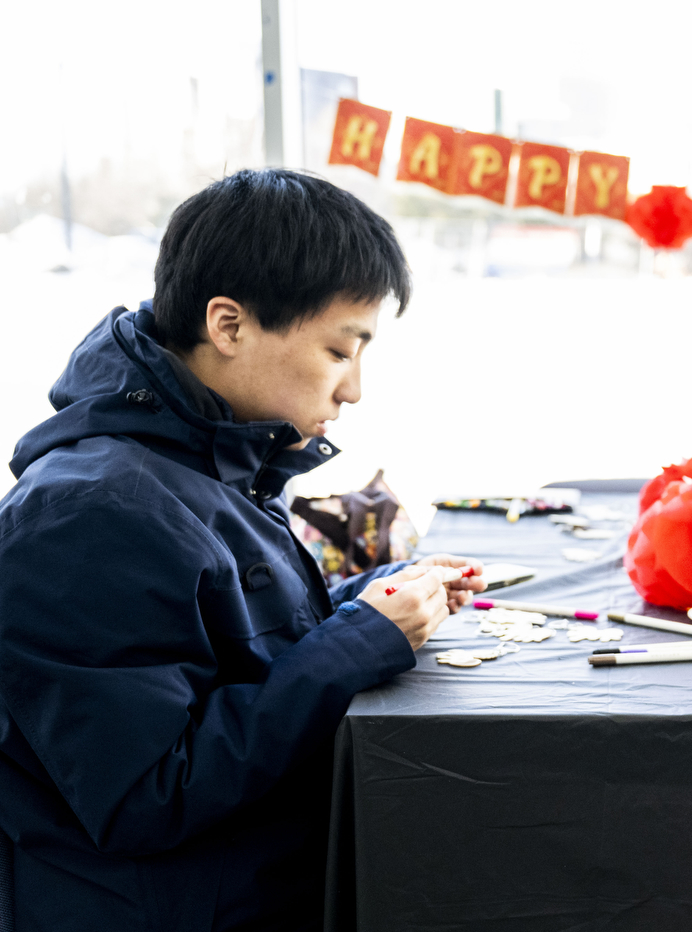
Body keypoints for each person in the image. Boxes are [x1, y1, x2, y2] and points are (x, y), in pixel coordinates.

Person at [0, 169, 486, 930]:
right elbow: (148, 795)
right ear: (228, 326)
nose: (353, 389)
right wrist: (358, 645)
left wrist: (373, 603)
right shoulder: (85, 514)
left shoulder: (210, 462)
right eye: (339, 350)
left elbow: (234, 659)